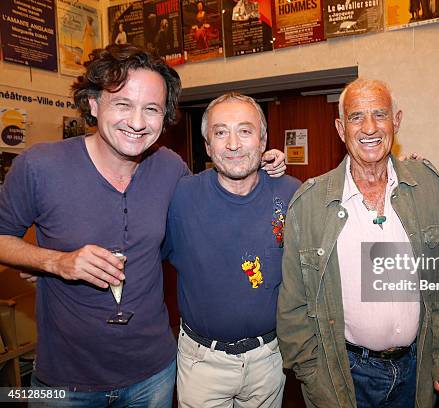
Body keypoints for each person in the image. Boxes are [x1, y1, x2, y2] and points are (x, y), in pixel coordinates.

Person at [0, 44, 285, 406]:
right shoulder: (39, 166)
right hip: (65, 380)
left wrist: (263, 162)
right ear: (93, 104)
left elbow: (218, 191)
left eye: (151, 109)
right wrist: (53, 262)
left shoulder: (170, 169)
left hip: (153, 375)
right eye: (122, 104)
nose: (137, 122)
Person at [277, 78, 439, 408]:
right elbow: (293, 306)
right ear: (341, 128)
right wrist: (312, 375)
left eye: (380, 115)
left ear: (396, 121)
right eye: (356, 117)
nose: (369, 127)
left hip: (417, 370)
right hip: (344, 377)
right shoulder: (308, 205)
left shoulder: (428, 189)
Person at [163, 93, 301, 408]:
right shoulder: (180, 198)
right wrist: (53, 265)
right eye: (221, 132)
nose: (233, 144)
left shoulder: (292, 193)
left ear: (263, 141)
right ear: (208, 145)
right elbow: (138, 249)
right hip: (201, 363)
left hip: (269, 358)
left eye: (245, 131)